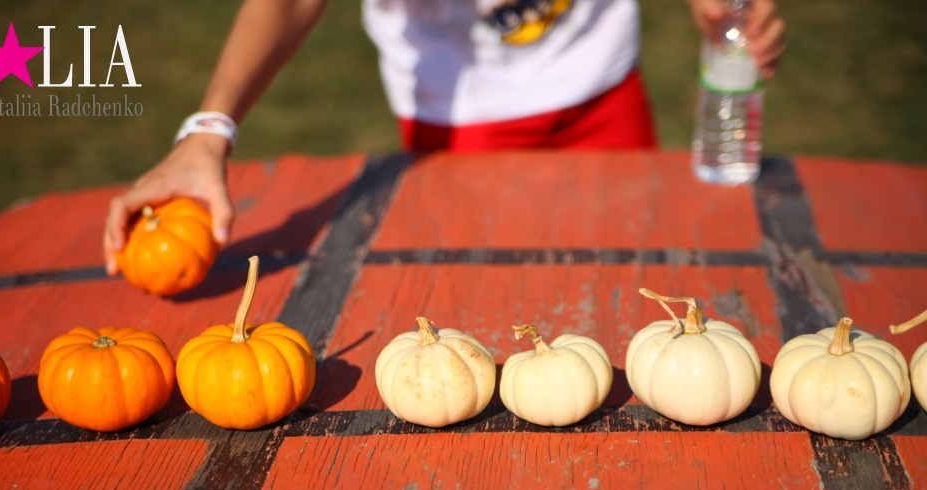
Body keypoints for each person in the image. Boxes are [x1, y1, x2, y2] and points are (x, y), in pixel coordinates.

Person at [103, 0, 786, 274]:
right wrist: (209, 129)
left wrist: (716, 11)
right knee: (487, 313)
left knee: (639, 278)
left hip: (602, 88)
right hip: (463, 117)